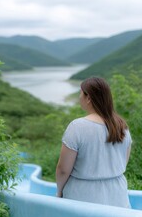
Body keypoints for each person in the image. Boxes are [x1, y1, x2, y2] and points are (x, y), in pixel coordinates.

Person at [56, 77, 132, 208]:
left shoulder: (77, 127)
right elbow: (122, 162)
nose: (79, 97)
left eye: (81, 93)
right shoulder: (122, 126)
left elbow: (63, 170)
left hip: (82, 197)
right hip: (118, 196)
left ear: (88, 98)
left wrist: (59, 192)